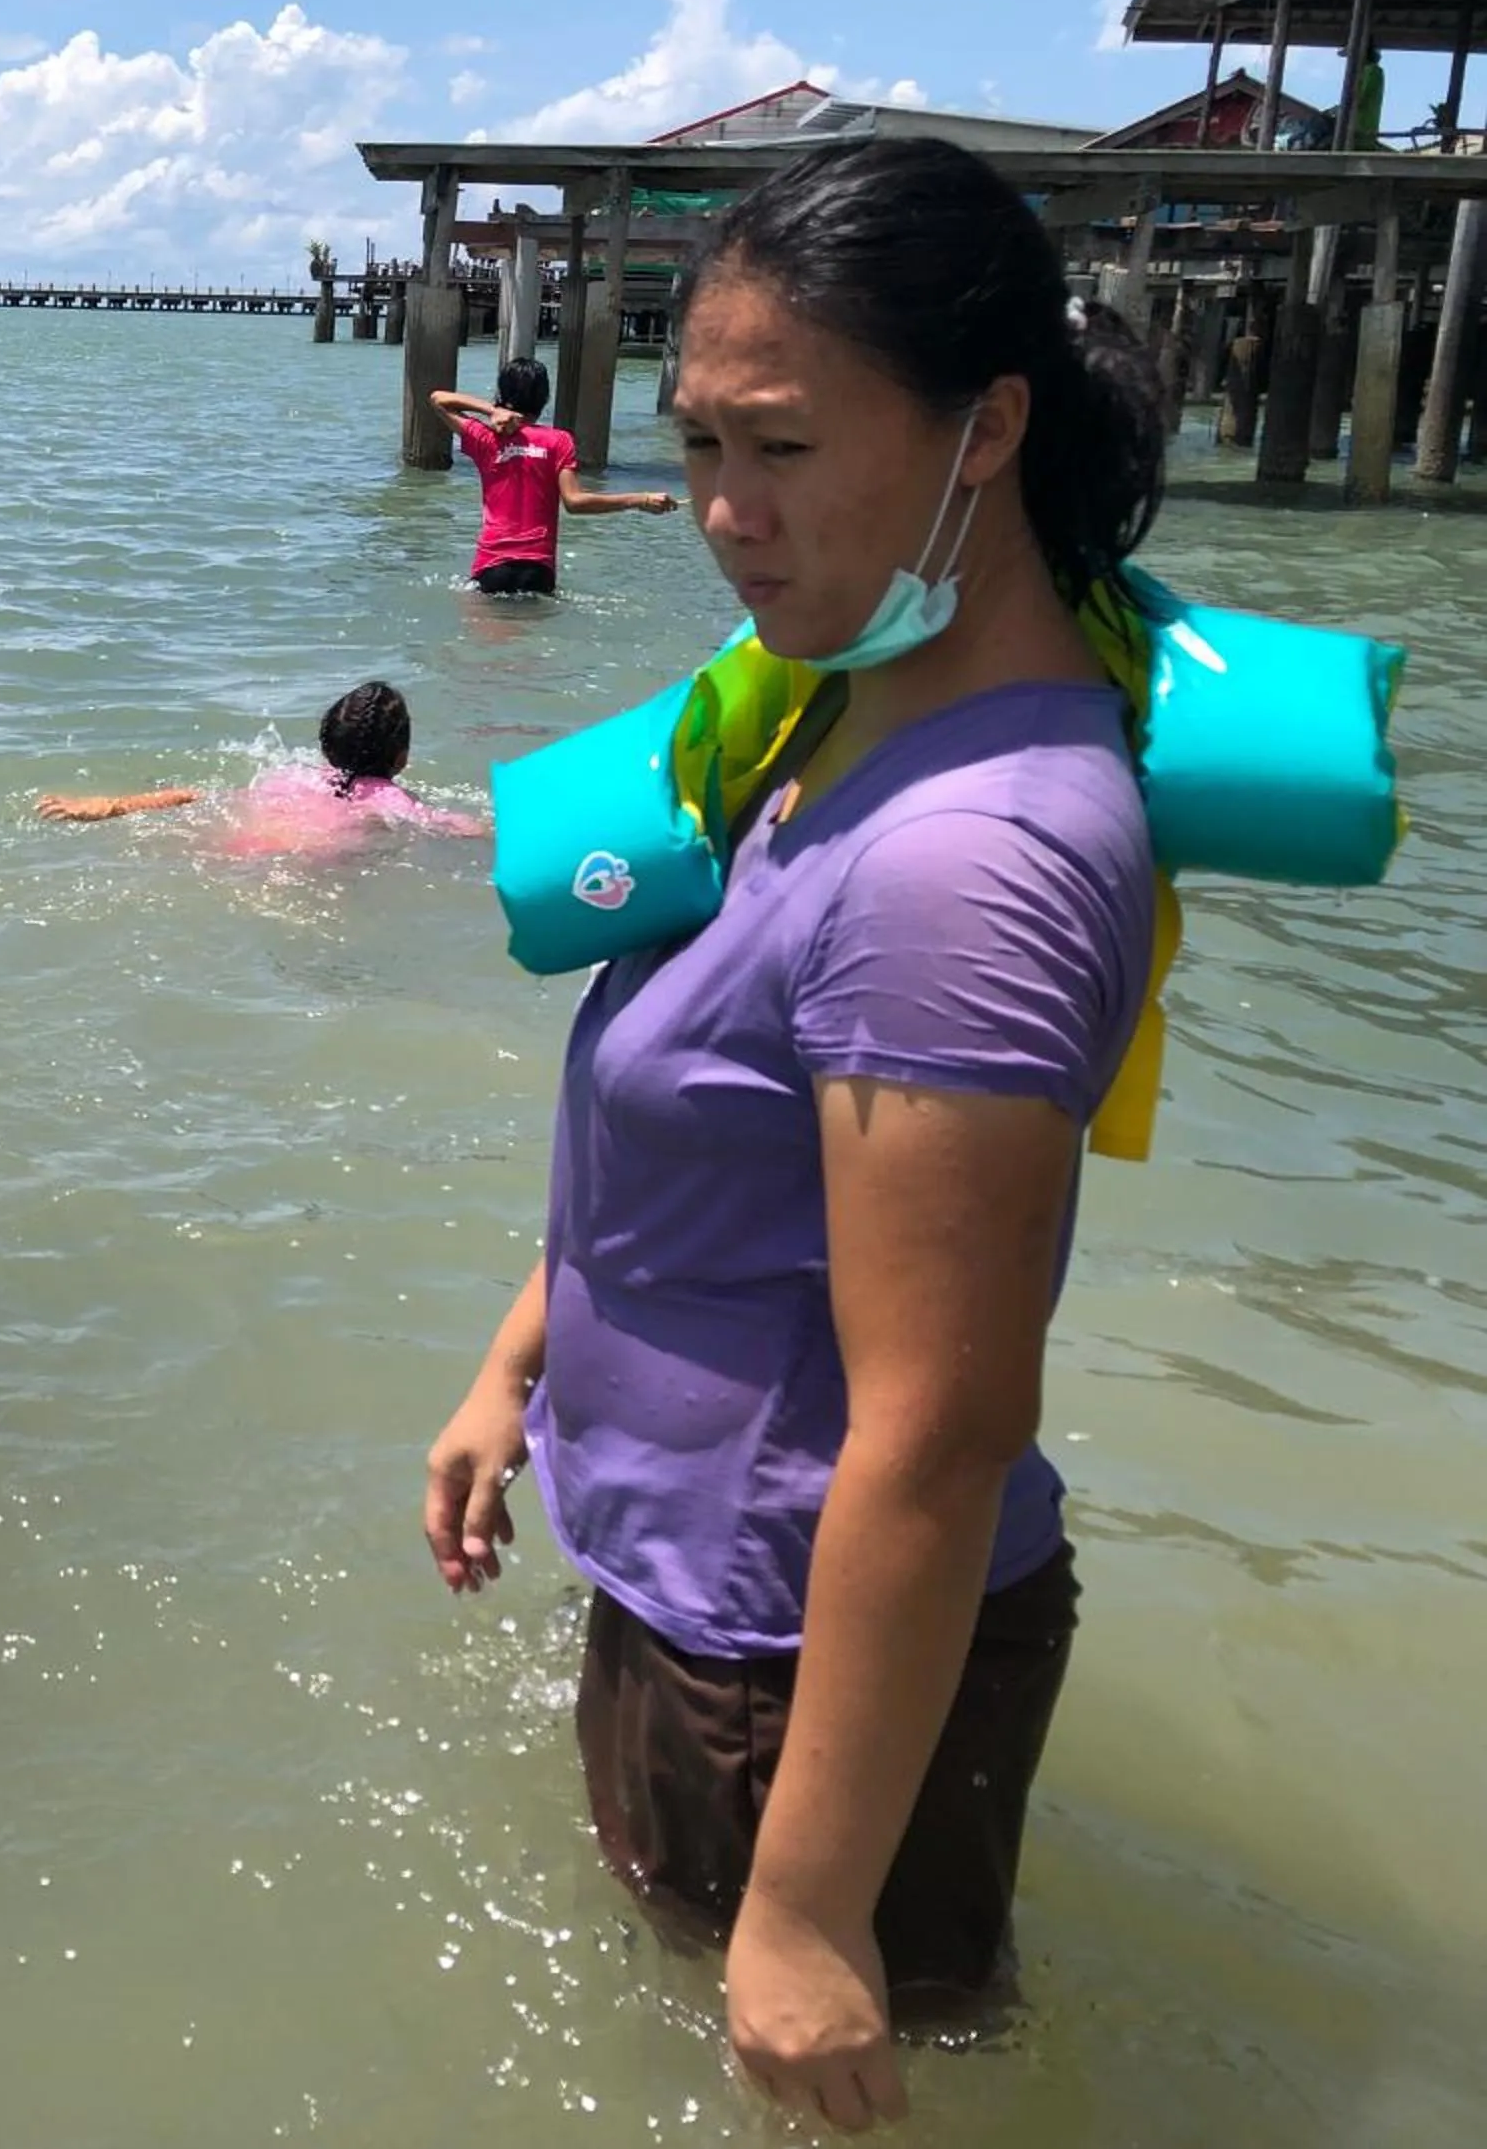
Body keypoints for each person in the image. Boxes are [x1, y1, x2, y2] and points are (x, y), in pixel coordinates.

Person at [420, 135, 1166, 2132]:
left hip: (786, 1657)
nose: (727, 518)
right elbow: (713, 1130)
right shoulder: (847, 711)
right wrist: (522, 1364)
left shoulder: (966, 867)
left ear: (985, 427)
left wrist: (816, 1906)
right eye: (699, 447)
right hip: (729, 1602)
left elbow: (937, 1423)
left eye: (786, 451)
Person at [34, 680, 485, 844]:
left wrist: (112, 806)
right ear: (402, 756)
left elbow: (193, 797)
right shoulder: (394, 803)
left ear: (326, 744)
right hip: (301, 867)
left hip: (234, 846)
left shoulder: (291, 776)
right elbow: (462, 828)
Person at [428, 357, 677, 594]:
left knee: (485, 636)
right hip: (539, 571)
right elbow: (574, 502)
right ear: (544, 398)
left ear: (502, 394)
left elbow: (438, 399)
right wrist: (640, 499)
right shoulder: (559, 441)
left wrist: (491, 410)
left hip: (492, 567)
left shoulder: (486, 438)